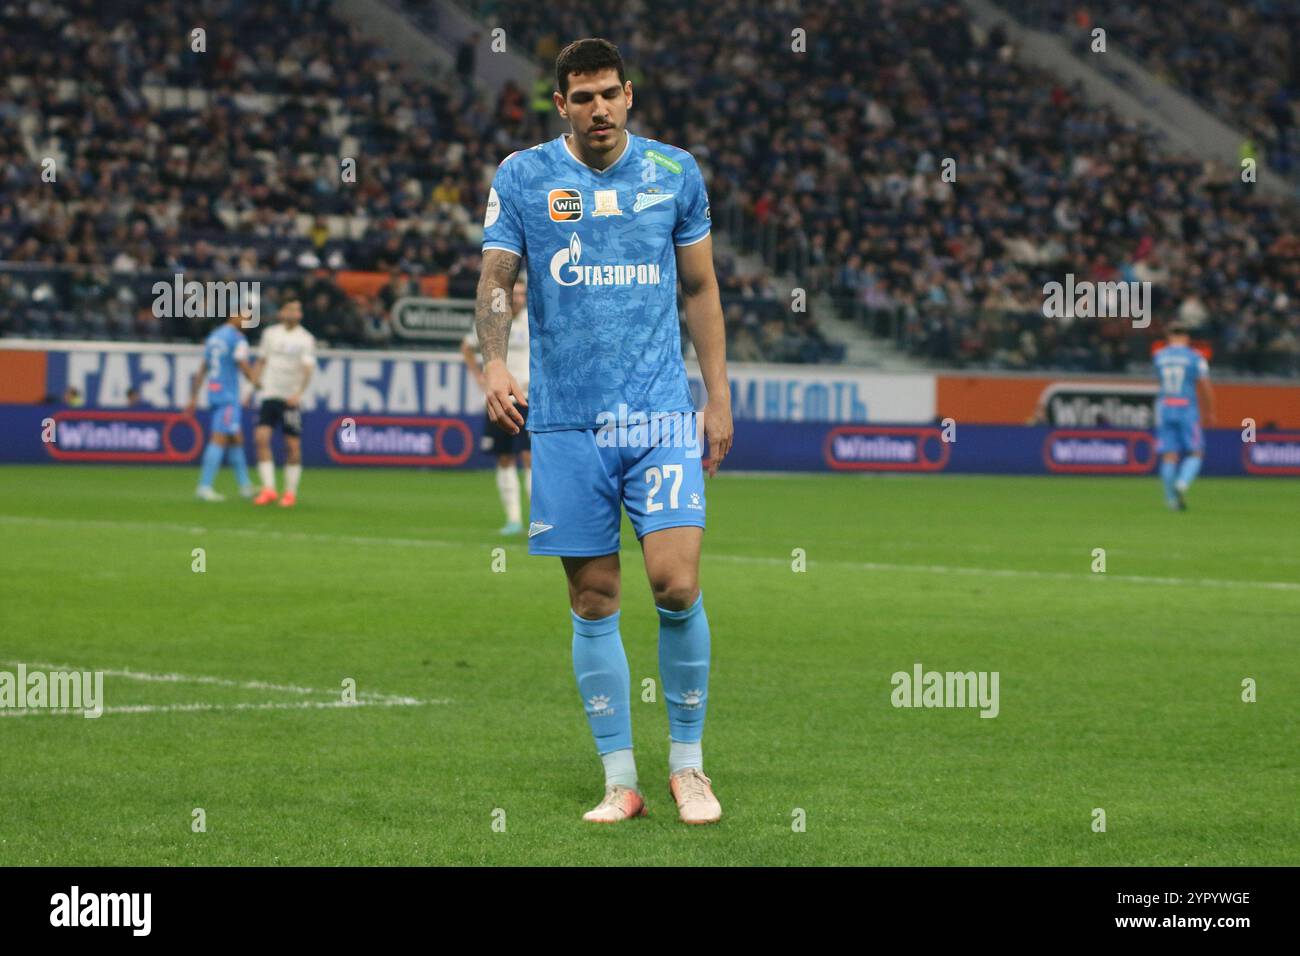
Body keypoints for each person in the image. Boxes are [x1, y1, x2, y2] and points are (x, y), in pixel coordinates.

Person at [476, 38, 734, 825]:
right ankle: (620, 778)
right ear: (560, 104)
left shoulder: (673, 174)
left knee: (676, 583)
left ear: (630, 95)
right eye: (582, 97)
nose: (598, 109)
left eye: (609, 94)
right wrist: (493, 363)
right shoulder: (523, 177)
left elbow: (699, 289)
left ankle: (689, 767)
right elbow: (495, 282)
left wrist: (717, 397)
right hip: (565, 420)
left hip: (658, 412)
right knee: (594, 598)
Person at [461, 276, 531, 534]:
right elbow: (467, 346)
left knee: (529, 457)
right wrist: (480, 377)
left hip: (527, 399)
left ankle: (537, 520)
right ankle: (513, 520)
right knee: (504, 457)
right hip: (499, 398)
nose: (520, 299)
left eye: (524, 294)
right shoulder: (495, 320)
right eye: (517, 293)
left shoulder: (534, 320)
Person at [187, 307, 260, 501]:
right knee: (219, 438)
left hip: (214, 391)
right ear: (233, 315)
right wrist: (257, 382)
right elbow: (243, 364)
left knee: (236, 438)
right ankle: (204, 486)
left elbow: (203, 367)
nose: (247, 321)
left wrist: (193, 396)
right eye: (245, 316)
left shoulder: (214, 337)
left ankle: (244, 485)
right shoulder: (237, 339)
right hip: (228, 395)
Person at [251, 296, 316, 507]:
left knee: (293, 446)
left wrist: (299, 393)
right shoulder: (270, 334)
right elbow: (262, 360)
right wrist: (253, 383)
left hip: (290, 398)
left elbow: (308, 368)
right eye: (290, 309)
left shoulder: (305, 338)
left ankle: (290, 492)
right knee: (261, 438)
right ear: (282, 312)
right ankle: (268, 489)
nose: (294, 314)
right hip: (270, 394)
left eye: (298, 310)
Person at [1154, 323, 1215, 510]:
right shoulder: (1195, 357)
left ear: (1169, 337)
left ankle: (1170, 500)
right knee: (1196, 452)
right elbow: (1205, 386)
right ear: (1187, 338)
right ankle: (1182, 483)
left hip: (1165, 407)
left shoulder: (1159, 356)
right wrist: (1210, 411)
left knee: (1169, 456)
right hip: (1187, 408)